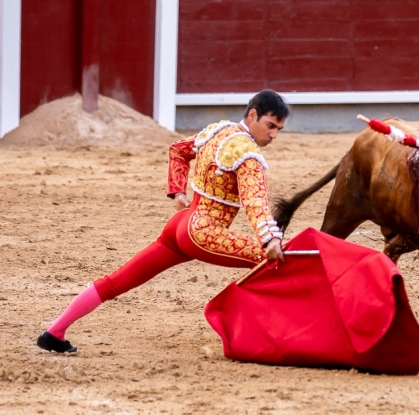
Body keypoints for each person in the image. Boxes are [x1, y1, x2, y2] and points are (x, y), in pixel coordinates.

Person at [37, 90, 289, 353]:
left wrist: (179, 190)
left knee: (117, 281)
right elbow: (254, 200)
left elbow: (178, 150)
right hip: (202, 232)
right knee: (277, 261)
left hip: (180, 225)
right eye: (270, 126)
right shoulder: (247, 153)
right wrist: (270, 238)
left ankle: (54, 332)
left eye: (279, 129)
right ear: (252, 115)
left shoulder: (216, 132)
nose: (273, 135)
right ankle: (264, 335)